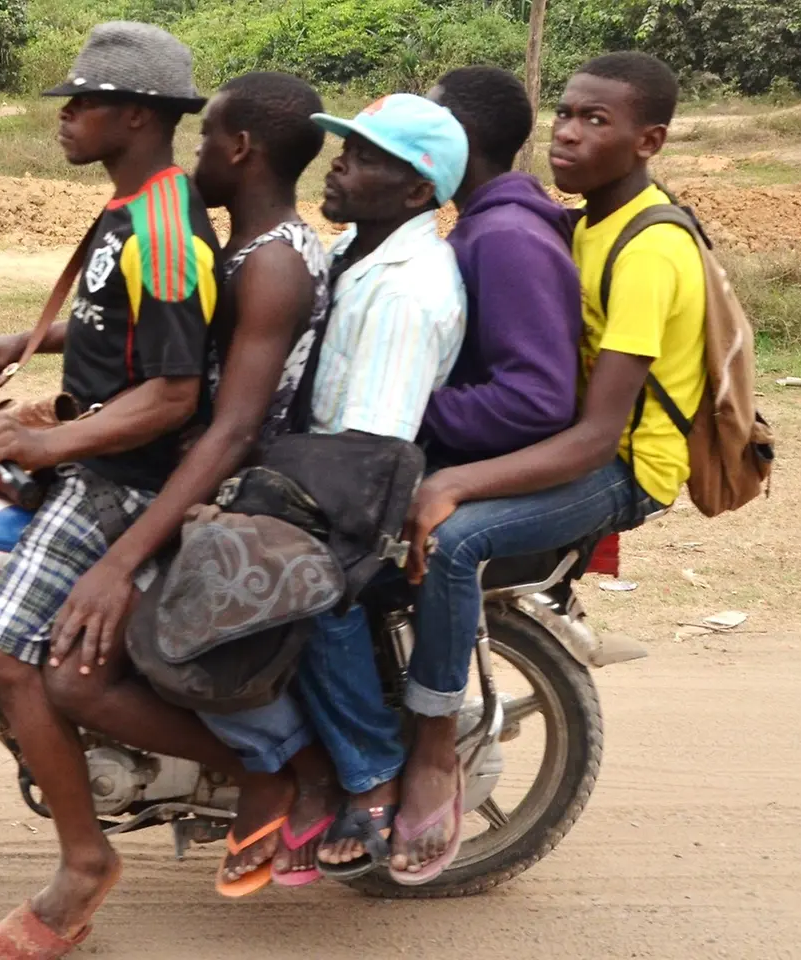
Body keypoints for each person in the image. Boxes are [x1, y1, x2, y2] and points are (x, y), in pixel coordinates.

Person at [387, 51, 704, 885]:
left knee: (454, 539)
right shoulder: (588, 219)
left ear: (649, 140)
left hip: (624, 464)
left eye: (596, 121)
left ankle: (431, 745)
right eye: (565, 113)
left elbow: (596, 433)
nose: (568, 132)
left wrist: (454, 480)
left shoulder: (650, 250)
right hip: (581, 438)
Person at [0, 23, 220, 959]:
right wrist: (15, 346)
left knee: (2, 662)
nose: (65, 115)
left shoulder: (167, 227)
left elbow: (175, 392)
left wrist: (51, 440)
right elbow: (119, 330)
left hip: (124, 480)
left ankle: (84, 861)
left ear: (136, 115)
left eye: (84, 100)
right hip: (94, 452)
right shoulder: (129, 210)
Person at [39, 71, 342, 898]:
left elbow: (233, 428)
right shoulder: (237, 244)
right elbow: (155, 321)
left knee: (77, 670)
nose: (195, 151)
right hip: (197, 464)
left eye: (206, 137)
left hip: (235, 487)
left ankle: (280, 763)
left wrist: (122, 557)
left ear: (240, 148)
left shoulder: (274, 262)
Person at [305, 65, 585, 877]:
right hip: (392, 450)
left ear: (450, 147)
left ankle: (395, 757)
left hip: (420, 459)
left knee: (315, 584)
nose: (347, 158)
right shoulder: (452, 231)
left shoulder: (500, 239)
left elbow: (537, 401)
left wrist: (422, 415)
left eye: (420, 122)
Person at [201, 93, 470, 886]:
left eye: (364, 156)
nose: (340, 163)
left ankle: (367, 766)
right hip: (318, 466)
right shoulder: (357, 247)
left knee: (296, 588)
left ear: (418, 192)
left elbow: (366, 450)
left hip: (351, 488)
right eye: (343, 147)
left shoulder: (407, 290)